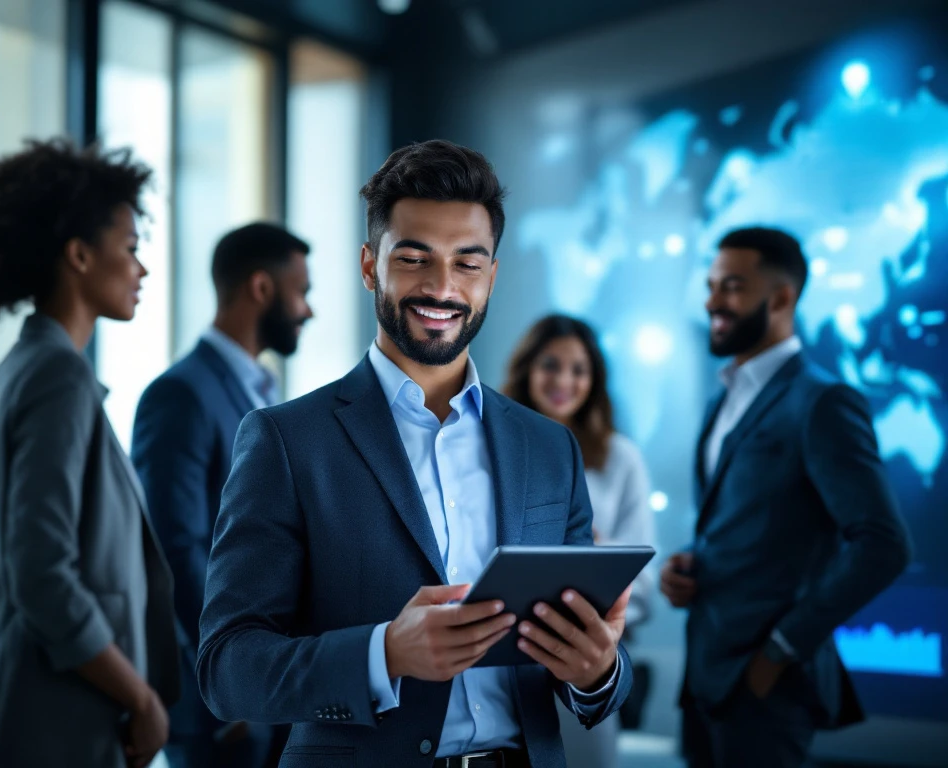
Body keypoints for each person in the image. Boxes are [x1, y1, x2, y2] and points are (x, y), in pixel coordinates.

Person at [197, 140, 634, 768]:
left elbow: (593, 675)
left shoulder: (548, 447)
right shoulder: (286, 441)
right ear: (371, 266)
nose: (441, 287)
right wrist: (385, 654)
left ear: (492, 275)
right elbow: (226, 668)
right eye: (415, 257)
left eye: (467, 263)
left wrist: (596, 671)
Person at [0, 138, 180, 768]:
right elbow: (43, 573)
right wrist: (141, 696)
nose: (142, 269)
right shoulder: (57, 376)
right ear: (79, 255)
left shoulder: (28, 367)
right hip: (56, 724)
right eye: (130, 249)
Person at [660, 227, 911, 768]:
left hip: (766, 686)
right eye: (710, 286)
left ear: (781, 298)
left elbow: (884, 545)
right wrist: (692, 565)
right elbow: (746, 525)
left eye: (731, 286)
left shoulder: (823, 402)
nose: (712, 302)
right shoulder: (721, 401)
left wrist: (780, 651)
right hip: (705, 678)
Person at [131, 222, 313, 768]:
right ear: (261, 288)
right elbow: (175, 547)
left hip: (271, 686)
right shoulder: (180, 394)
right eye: (301, 291)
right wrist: (229, 678)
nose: (308, 310)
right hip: (221, 703)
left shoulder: (262, 393)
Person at [503, 313, 656, 767]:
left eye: (579, 370)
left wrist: (593, 553)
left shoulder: (620, 458)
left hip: (583, 660)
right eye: (551, 365)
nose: (564, 381)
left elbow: (643, 579)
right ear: (527, 369)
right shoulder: (493, 447)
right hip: (503, 658)